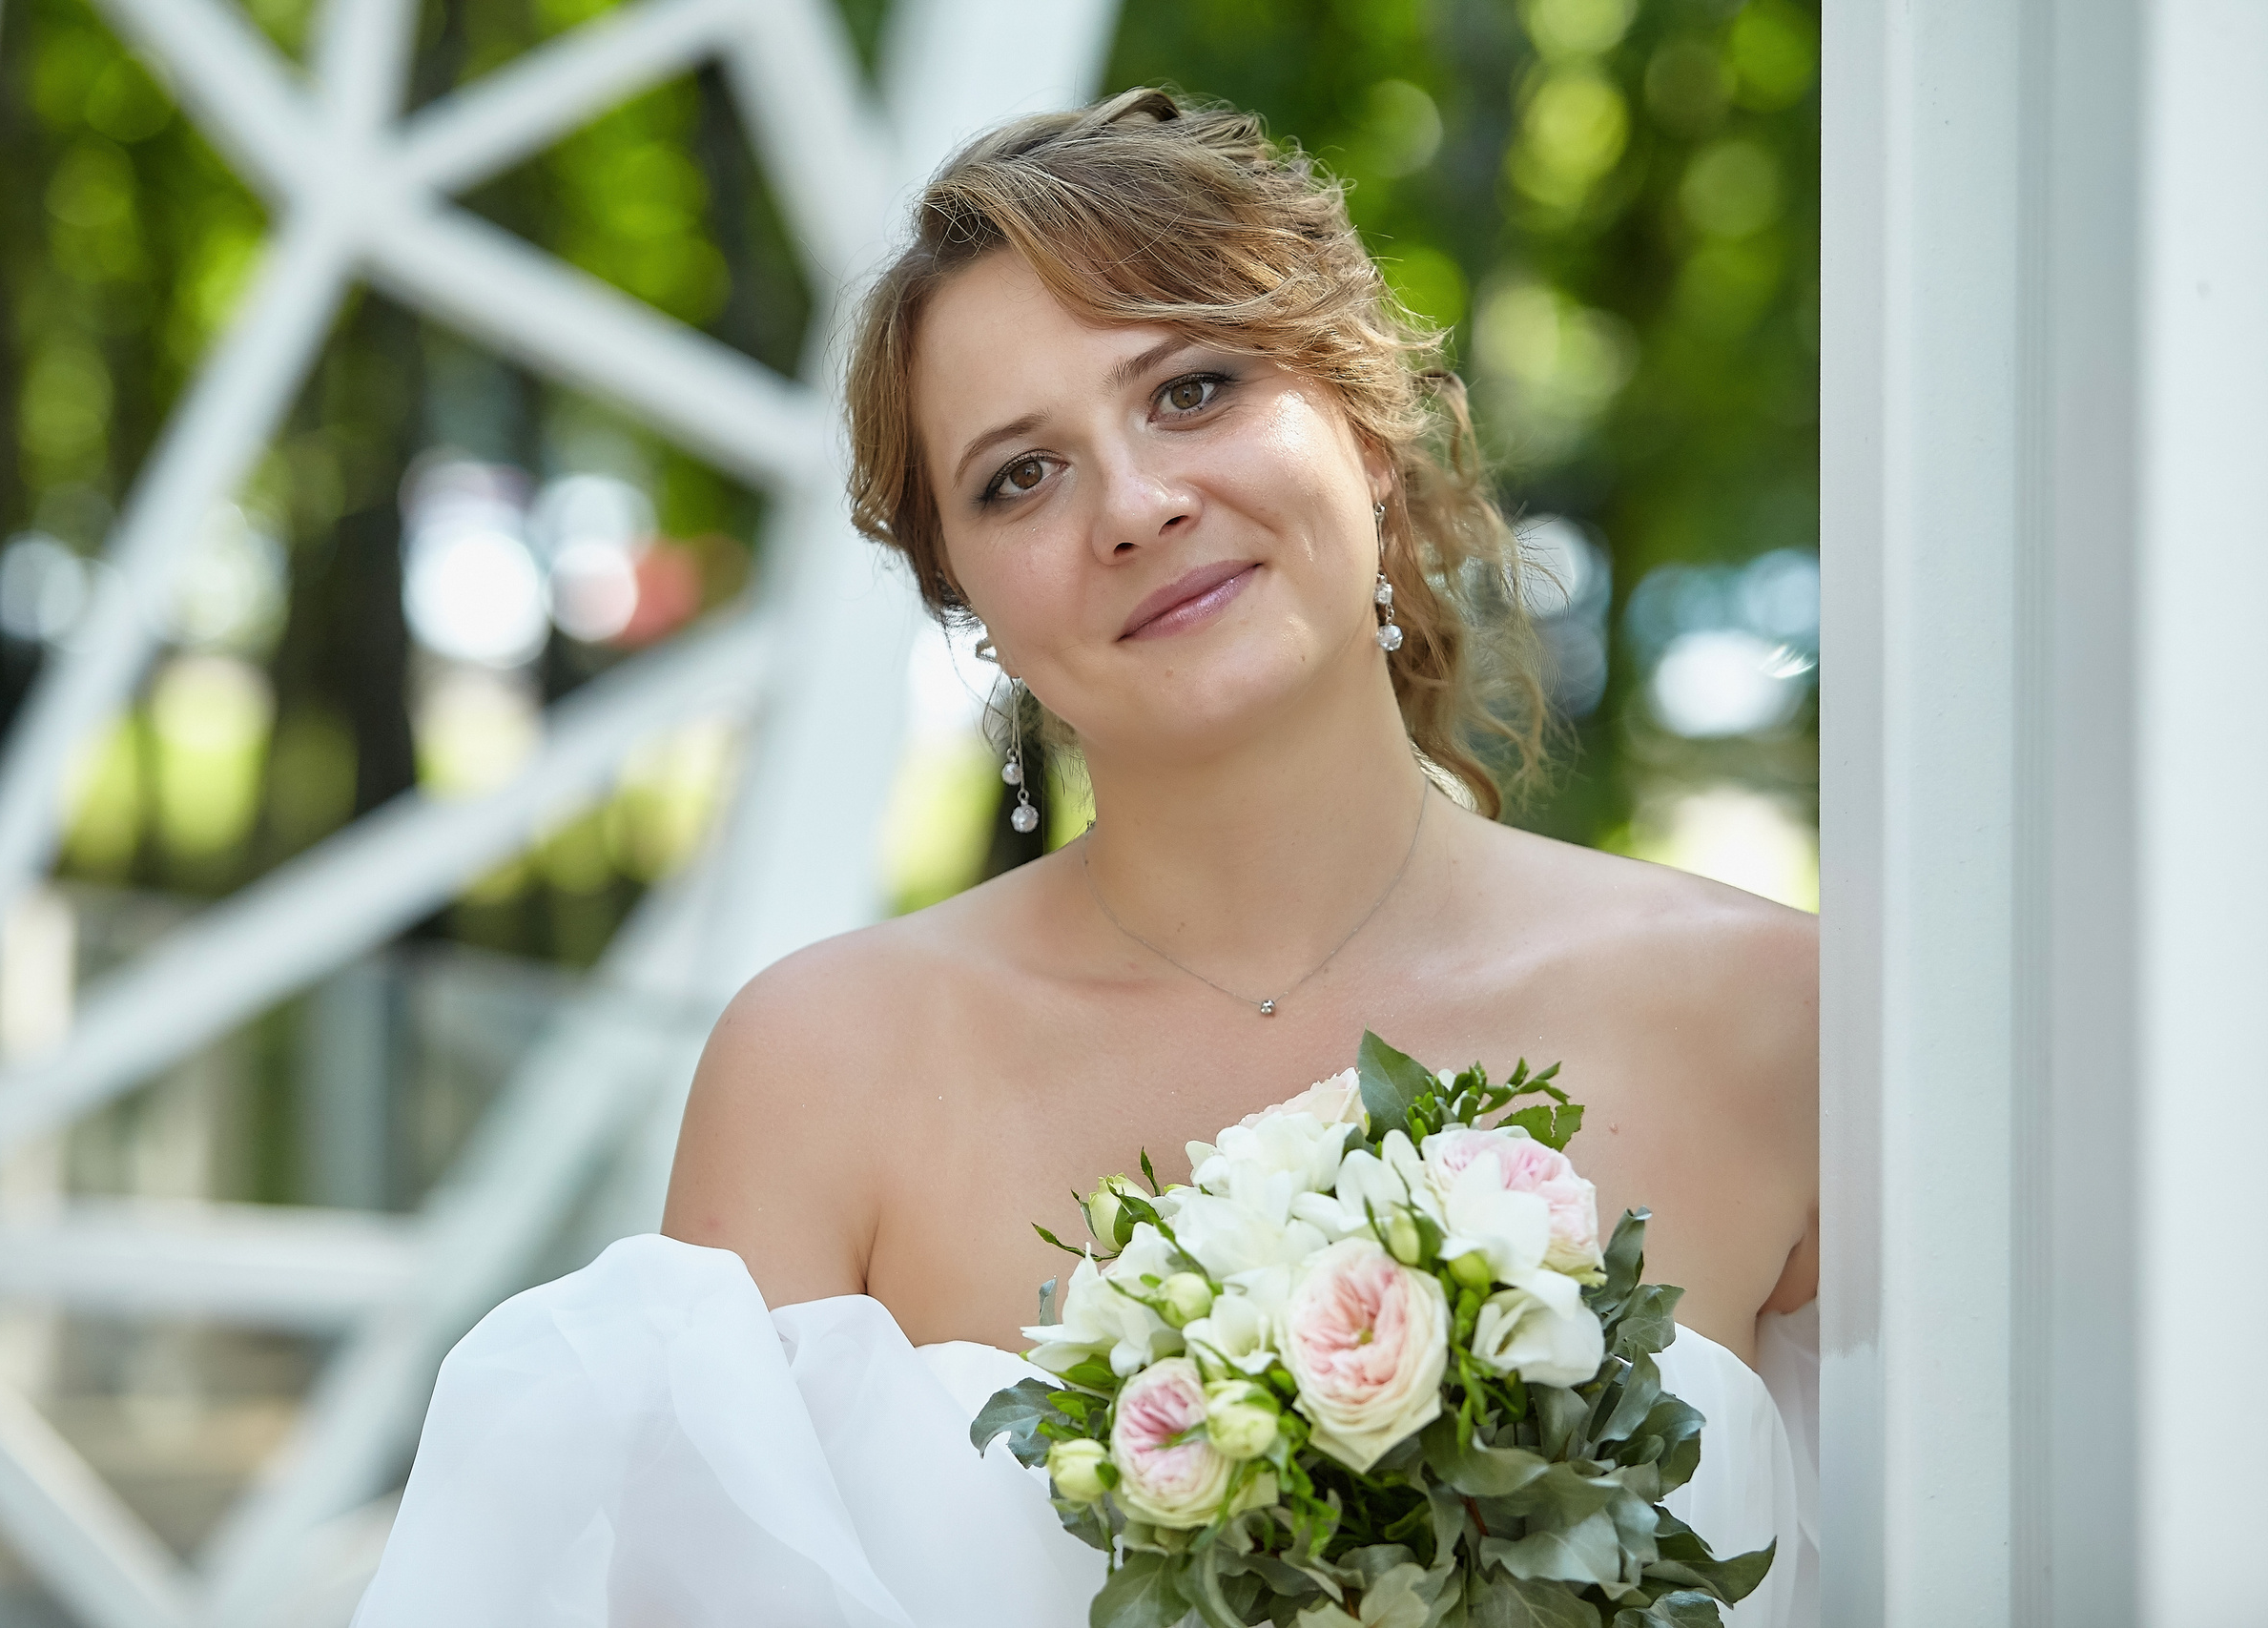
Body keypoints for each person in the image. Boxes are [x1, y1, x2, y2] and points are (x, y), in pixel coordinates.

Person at [354, 89, 1817, 1627]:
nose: (1134, 505)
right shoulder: (823, 1073)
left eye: (1193, 388)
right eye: (1018, 476)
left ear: (1367, 428)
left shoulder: (1782, 1022)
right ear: (966, 602)